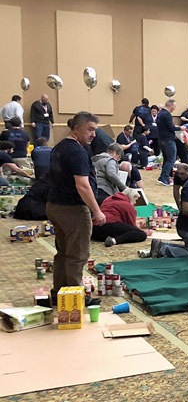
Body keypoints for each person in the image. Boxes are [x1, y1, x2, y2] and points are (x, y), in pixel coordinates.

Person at [45, 111, 104, 307]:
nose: (93, 134)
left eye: (95, 130)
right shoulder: (77, 151)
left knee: (62, 251)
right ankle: (75, 296)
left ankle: (59, 293)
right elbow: (82, 185)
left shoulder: (59, 147)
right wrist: (96, 210)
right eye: (90, 129)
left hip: (55, 205)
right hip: (72, 209)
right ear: (77, 128)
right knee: (77, 254)